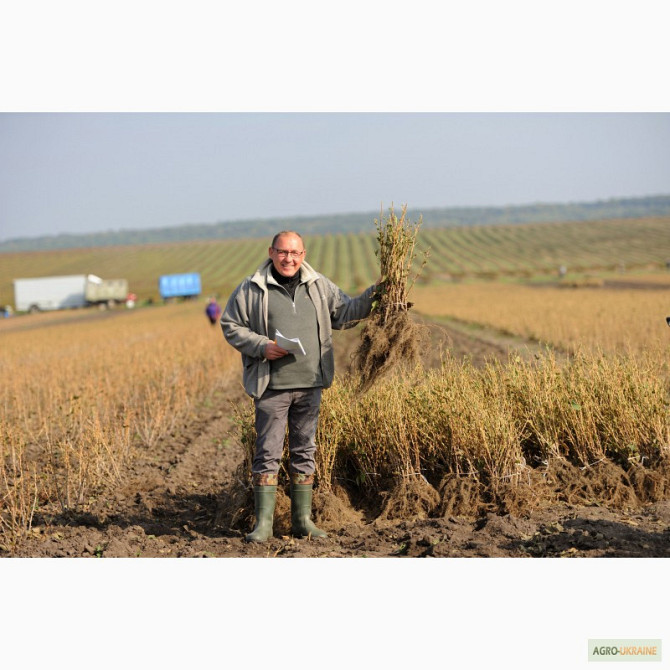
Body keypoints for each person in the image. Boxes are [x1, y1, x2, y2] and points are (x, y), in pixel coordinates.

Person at [220, 230, 380, 542]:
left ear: (303, 255)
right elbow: (230, 325)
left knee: (305, 451)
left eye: (294, 253)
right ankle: (263, 525)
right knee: (267, 452)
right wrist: (262, 346)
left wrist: (376, 294)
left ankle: (302, 521)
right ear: (271, 252)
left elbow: (345, 314)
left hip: (310, 384)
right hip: (272, 386)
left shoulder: (319, 285)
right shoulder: (252, 288)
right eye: (282, 252)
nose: (288, 259)